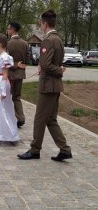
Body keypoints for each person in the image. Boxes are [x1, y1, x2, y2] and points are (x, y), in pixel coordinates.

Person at [18, 10, 72, 162]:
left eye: (41, 24)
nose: (41, 26)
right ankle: (65, 149)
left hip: (48, 85)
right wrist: (57, 68)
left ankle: (35, 150)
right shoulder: (59, 39)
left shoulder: (48, 41)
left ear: (45, 24)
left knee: (40, 118)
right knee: (50, 119)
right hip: (55, 86)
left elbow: (47, 64)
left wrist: (58, 70)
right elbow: (55, 62)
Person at [0, 33, 20, 142]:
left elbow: (5, 75)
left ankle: (7, 134)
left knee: (2, 108)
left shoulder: (6, 57)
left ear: (0, 44)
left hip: (1, 82)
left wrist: (3, 90)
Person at [7, 22, 30, 128]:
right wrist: (21, 65)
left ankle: (10, 117)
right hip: (20, 74)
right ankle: (20, 117)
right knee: (17, 97)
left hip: (10, 74)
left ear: (13, 30)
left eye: (8, 29)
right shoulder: (25, 43)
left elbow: (6, 61)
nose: (7, 31)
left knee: (8, 96)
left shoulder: (8, 43)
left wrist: (16, 65)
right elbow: (28, 59)